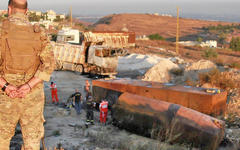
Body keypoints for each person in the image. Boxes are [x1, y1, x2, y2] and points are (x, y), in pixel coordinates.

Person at [0, 0, 55, 149]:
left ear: (9, 9)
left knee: (1, 139)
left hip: (4, 96)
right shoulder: (39, 32)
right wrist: (28, 86)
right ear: (26, 11)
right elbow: (49, 64)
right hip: (32, 95)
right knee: (32, 141)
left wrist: (6, 85)